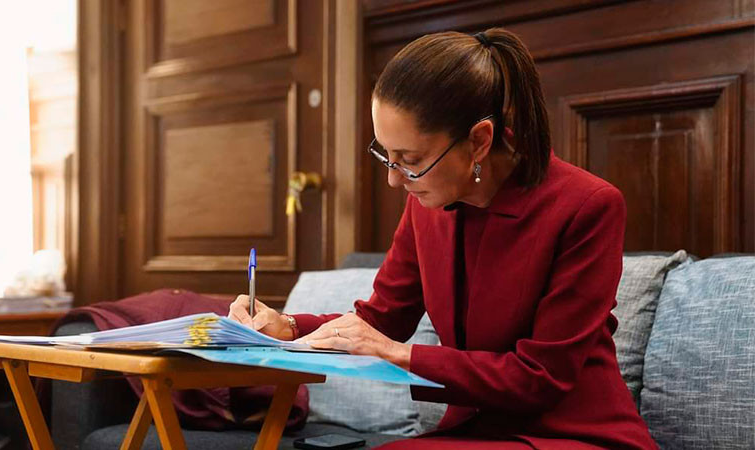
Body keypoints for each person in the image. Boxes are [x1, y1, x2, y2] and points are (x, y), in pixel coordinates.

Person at [228, 28, 657, 449]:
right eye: (385, 156)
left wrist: (400, 355)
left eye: (410, 160)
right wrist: (284, 328)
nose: (394, 180)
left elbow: (541, 377)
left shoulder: (588, 206)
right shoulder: (427, 201)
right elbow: (381, 320)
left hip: (574, 435)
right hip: (475, 433)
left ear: (479, 141)